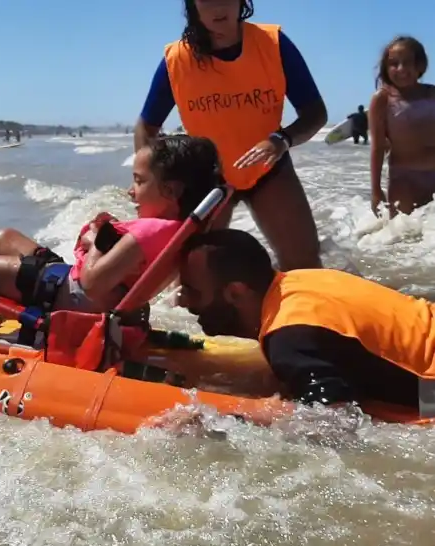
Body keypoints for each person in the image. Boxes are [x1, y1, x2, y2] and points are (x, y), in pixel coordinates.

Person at [0, 135, 222, 312]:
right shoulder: (174, 230)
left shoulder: (151, 230)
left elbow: (93, 284)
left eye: (139, 182)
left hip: (71, 298)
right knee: (4, 238)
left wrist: (96, 240)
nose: (131, 191)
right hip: (71, 285)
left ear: (171, 190)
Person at [134, 0, 327, 271]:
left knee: (305, 265)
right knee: (194, 274)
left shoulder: (272, 44)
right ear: (193, 6)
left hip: (268, 169)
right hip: (208, 178)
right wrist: (153, 184)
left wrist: (281, 139)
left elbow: (315, 113)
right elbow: (146, 127)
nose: (218, 8)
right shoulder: (177, 60)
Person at [176, 228, 435, 416]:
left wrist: (221, 419)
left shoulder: (287, 336)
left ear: (235, 293)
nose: (182, 302)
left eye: (192, 292)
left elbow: (336, 420)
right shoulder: (304, 279)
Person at [369, 36, 435, 218]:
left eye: (407, 62)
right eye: (393, 64)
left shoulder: (432, 94)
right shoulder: (382, 99)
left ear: (420, 65)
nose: (401, 69)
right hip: (403, 178)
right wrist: (376, 190)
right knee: (403, 231)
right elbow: (377, 147)